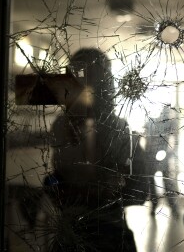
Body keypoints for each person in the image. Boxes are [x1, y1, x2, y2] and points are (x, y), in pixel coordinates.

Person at [44, 48, 137, 251]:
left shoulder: (118, 127)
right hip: (69, 232)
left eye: (92, 74)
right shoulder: (61, 125)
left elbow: (131, 186)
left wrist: (101, 188)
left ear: (105, 80)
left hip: (109, 233)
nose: (84, 81)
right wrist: (54, 186)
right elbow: (54, 175)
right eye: (77, 73)